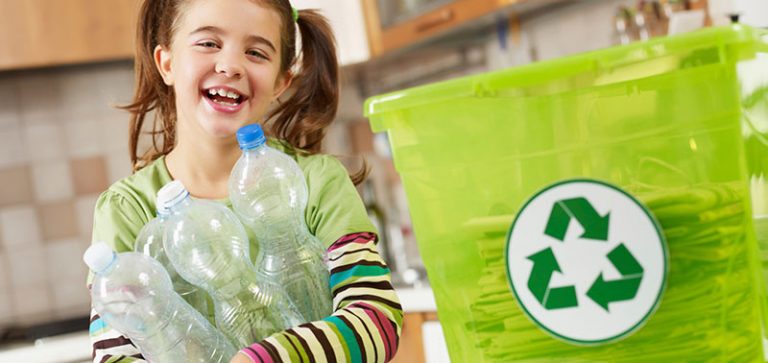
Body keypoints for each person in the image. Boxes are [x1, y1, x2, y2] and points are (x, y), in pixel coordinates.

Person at [86, 0, 403, 362]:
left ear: (282, 81)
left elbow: (377, 318)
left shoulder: (318, 182)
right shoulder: (127, 209)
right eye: (208, 43)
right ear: (167, 62)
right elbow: (113, 355)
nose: (231, 66)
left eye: (255, 52)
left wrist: (268, 358)